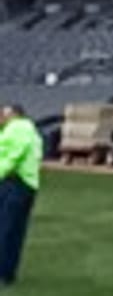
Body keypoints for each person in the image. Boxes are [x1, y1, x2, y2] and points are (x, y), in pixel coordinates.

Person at [0, 103, 43, 287]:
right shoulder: (33, 133)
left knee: (5, 230)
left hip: (13, 183)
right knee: (15, 231)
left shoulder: (17, 129)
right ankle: (7, 273)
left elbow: (9, 156)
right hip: (27, 185)